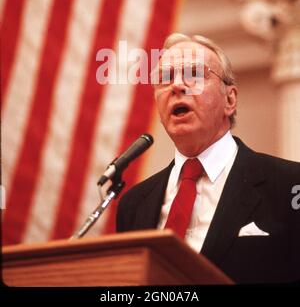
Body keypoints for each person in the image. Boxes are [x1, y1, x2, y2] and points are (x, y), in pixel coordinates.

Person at [116, 33, 300, 284]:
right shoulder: (134, 205)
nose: (177, 86)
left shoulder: (290, 184)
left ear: (230, 99)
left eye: (193, 75)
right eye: (165, 79)